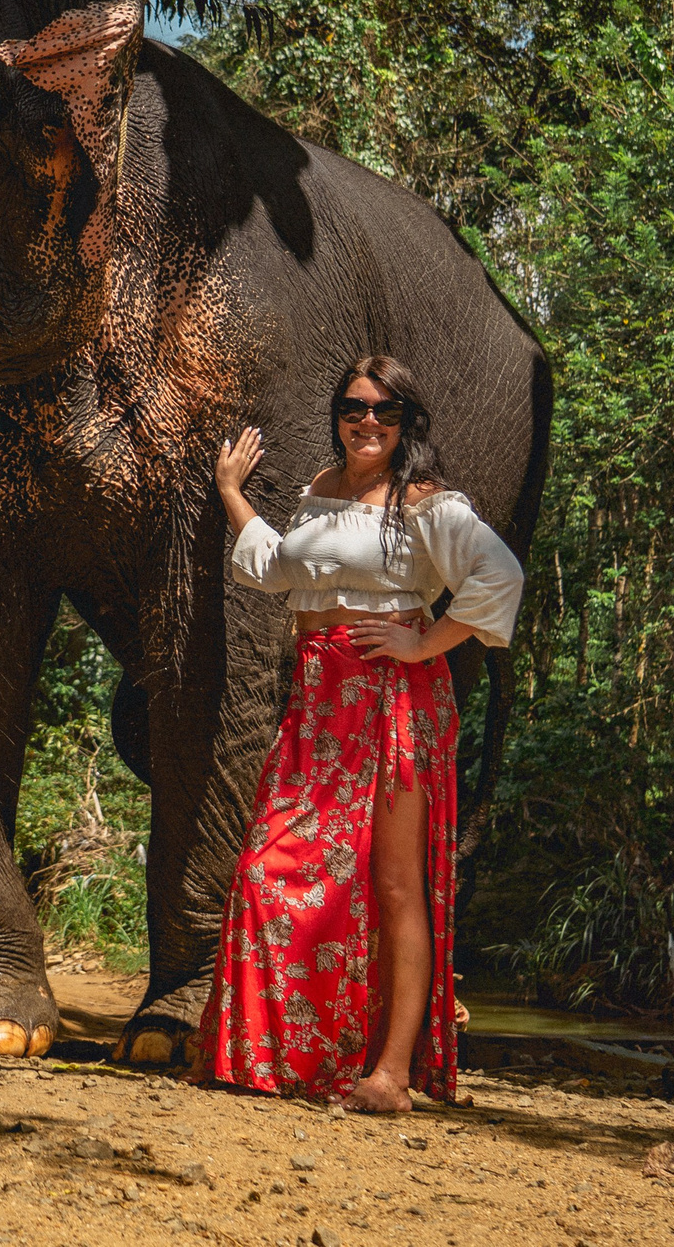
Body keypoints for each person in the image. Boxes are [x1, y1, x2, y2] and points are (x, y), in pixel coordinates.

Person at [199, 355, 523, 1110]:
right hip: (318, 696)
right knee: (266, 867)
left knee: (396, 884)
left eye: (384, 410)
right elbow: (282, 570)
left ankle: (391, 1072)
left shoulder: (423, 501)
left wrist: (424, 642)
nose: (367, 421)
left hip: (391, 698)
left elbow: (498, 572)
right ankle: (289, 1058)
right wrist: (231, 495)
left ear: (406, 420)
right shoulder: (320, 488)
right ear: (337, 412)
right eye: (354, 406)